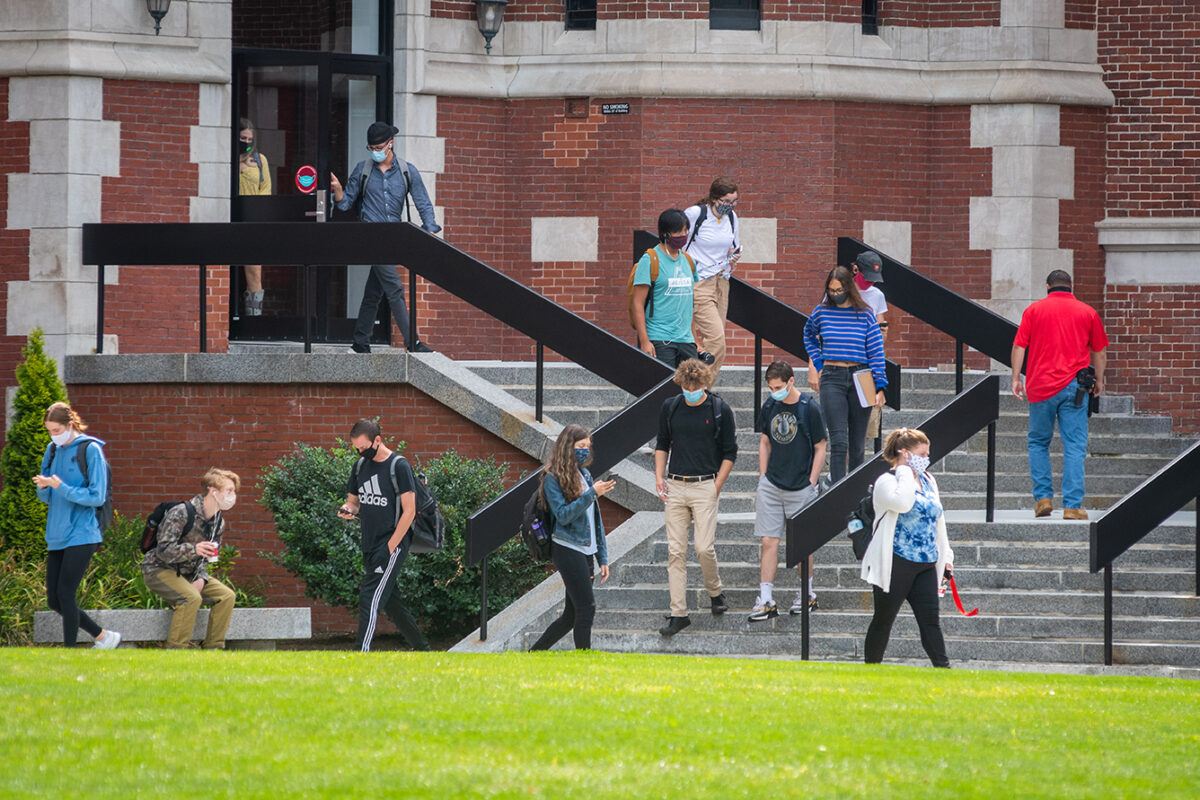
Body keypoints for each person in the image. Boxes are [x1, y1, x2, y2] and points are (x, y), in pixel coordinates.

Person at [331, 121, 441, 354]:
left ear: (391, 144)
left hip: (394, 239)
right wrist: (339, 192)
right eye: (371, 147)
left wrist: (430, 229)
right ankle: (413, 342)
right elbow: (346, 204)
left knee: (374, 292)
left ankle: (360, 342)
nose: (375, 152)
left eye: (379, 147)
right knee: (395, 289)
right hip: (371, 237)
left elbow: (422, 202)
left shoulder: (406, 171)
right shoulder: (363, 169)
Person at [1011, 270, 1109, 520]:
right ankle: (1072, 505)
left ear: (1047, 286)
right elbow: (1099, 352)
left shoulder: (1034, 311)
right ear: (1071, 287)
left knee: (1037, 442)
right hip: (1074, 388)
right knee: (1075, 445)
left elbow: (1019, 345)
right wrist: (1099, 379)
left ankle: (1043, 498)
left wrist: (1015, 378)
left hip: (1040, 386)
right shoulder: (1087, 312)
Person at [654, 359, 737, 636]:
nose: (690, 390)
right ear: (681, 383)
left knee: (703, 547)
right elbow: (662, 444)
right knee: (675, 552)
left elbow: (730, 453)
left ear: (704, 384)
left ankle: (715, 592)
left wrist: (717, 485)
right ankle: (679, 613)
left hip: (705, 485)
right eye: (686, 386)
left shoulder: (719, 409)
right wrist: (659, 476)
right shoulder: (671, 407)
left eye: (695, 386)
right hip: (676, 485)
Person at [861, 428, 954, 668]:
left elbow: (937, 518)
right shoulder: (887, 481)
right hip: (896, 562)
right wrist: (903, 469)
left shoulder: (929, 480)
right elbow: (903, 503)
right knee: (884, 620)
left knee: (930, 622)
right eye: (922, 453)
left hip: (925, 562)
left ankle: (944, 670)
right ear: (905, 453)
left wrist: (947, 556)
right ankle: (871, 669)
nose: (927, 458)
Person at [337, 419, 431, 652]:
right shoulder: (360, 466)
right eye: (356, 448)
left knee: (369, 597)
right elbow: (353, 502)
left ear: (377, 440)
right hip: (369, 542)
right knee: (392, 602)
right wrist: (348, 510)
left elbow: (409, 512)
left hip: (392, 543)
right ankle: (424, 650)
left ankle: (361, 653)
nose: (360, 452)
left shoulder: (399, 466)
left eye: (364, 447)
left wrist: (390, 547)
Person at [34, 402, 122, 649]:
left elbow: (97, 496)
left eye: (56, 430)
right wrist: (43, 488)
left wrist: (59, 485)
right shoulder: (51, 450)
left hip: (83, 533)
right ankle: (104, 637)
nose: (53, 435)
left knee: (65, 593)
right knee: (54, 600)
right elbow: (47, 497)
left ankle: (69, 651)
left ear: (70, 425)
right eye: (49, 431)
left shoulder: (91, 449)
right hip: (57, 533)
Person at [749, 361, 828, 621]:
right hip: (772, 484)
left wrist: (812, 482)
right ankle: (766, 599)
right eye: (771, 387)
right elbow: (764, 441)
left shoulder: (810, 409)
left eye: (779, 387)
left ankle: (807, 594)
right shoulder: (770, 405)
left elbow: (820, 446)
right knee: (768, 541)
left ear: (791, 381)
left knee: (802, 546)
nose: (774, 391)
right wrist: (762, 477)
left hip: (800, 486)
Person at [529, 425, 615, 651]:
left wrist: (602, 557)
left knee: (571, 614)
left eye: (588, 446)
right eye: (580, 447)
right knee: (587, 607)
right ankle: (584, 658)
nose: (585, 451)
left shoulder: (585, 474)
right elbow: (564, 516)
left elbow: (596, 521)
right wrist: (592, 493)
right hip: (567, 547)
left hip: (587, 549)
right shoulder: (552, 478)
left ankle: (533, 653)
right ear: (568, 447)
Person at [803, 266, 887, 484]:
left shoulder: (866, 314)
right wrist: (819, 363)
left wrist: (880, 386)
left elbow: (876, 351)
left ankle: (855, 493)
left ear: (848, 288)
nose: (834, 294)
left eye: (838, 290)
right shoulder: (821, 311)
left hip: (861, 375)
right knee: (839, 441)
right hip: (832, 375)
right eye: (831, 290)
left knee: (858, 443)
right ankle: (837, 494)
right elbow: (808, 334)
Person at [141, 468, 240, 649]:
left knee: (226, 596)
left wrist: (201, 577)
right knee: (190, 597)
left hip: (189, 572)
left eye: (234, 491)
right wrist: (194, 549)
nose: (233, 496)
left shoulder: (218, 522)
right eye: (229, 491)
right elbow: (163, 550)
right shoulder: (182, 512)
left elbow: (207, 558)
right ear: (213, 491)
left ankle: (213, 648)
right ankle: (177, 649)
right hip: (159, 569)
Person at [685, 177, 742, 379]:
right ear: (714, 198)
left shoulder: (732, 218)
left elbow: (734, 244)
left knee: (713, 344)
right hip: (700, 282)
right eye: (726, 201)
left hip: (721, 281)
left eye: (734, 202)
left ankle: (698, 387)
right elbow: (680, 245)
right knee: (717, 340)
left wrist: (733, 254)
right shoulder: (696, 214)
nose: (730, 206)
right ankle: (698, 387)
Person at [631, 208, 698, 368]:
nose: (683, 235)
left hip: (686, 340)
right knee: (665, 391)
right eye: (678, 231)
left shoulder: (689, 261)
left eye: (685, 230)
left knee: (692, 390)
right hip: (660, 338)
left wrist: (696, 341)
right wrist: (645, 341)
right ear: (666, 233)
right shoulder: (650, 260)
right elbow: (637, 303)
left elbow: (688, 305)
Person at [852, 251, 890, 443]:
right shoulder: (839, 290)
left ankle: (854, 470)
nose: (870, 282)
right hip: (844, 360)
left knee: (864, 430)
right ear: (856, 269)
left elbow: (882, 331)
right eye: (867, 277)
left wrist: (879, 333)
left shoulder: (877, 295)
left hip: (867, 364)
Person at [237, 118, 271, 316]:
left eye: (250, 138)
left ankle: (254, 318)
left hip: (252, 221)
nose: (247, 142)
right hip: (232, 219)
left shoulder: (260, 160)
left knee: (254, 272)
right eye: (243, 138)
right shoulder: (229, 158)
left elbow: (265, 190)